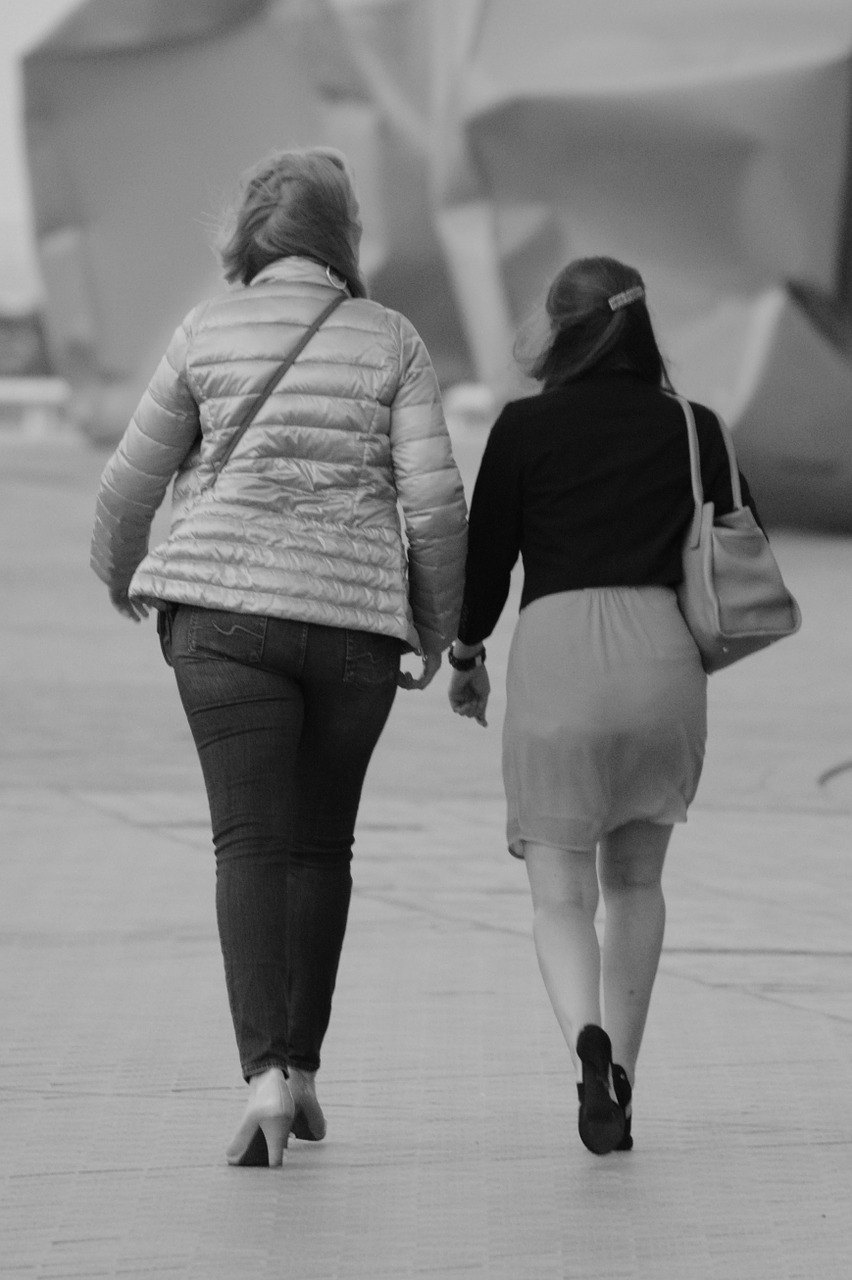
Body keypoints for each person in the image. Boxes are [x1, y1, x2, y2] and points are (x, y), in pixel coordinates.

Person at [91, 147, 468, 1167]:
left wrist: (119, 571)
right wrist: (433, 628)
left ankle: (259, 1073)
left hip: (220, 619)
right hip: (352, 626)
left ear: (252, 232)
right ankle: (300, 1068)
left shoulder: (206, 330)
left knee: (247, 841)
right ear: (340, 235)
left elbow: (131, 482)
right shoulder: (392, 338)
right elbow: (435, 502)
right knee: (320, 846)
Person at [447, 256, 761, 1155]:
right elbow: (742, 544)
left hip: (556, 661)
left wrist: (467, 657)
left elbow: (486, 565)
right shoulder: (697, 428)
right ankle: (623, 1072)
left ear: (557, 331)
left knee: (559, 898)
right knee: (637, 884)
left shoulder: (523, 426)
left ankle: (585, 1046)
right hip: (665, 662)